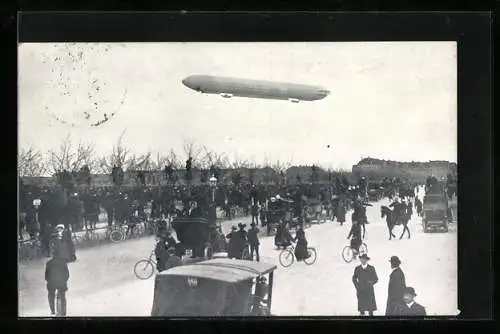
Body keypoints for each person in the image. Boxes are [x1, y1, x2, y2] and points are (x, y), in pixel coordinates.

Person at [45, 250, 70, 316]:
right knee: (62, 295)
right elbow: (67, 274)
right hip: (61, 283)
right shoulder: (63, 262)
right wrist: (64, 281)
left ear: (53, 255)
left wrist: (49, 281)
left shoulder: (49, 263)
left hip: (52, 283)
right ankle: (63, 311)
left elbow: (46, 276)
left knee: (51, 296)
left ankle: (52, 310)